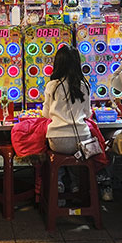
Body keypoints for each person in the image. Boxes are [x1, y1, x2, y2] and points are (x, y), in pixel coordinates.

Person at [42, 45, 91, 192]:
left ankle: (58, 182)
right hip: (82, 138)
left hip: (58, 140)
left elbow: (46, 114)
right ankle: (76, 184)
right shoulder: (84, 85)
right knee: (76, 155)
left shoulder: (52, 86)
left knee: (54, 153)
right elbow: (88, 114)